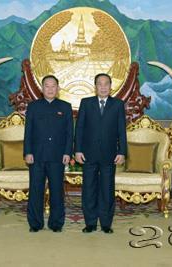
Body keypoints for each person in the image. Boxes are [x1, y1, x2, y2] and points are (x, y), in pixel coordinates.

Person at [74, 73, 127, 234]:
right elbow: (80, 129)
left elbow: (121, 131)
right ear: (95, 87)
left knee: (107, 190)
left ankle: (106, 223)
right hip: (88, 154)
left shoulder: (117, 104)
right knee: (89, 189)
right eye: (99, 84)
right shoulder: (86, 103)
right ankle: (90, 223)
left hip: (109, 155)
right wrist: (77, 150)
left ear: (111, 86)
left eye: (106, 84)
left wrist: (122, 152)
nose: (103, 87)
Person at [23, 75, 73, 233]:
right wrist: (27, 152)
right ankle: (35, 224)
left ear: (58, 89)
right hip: (36, 156)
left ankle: (56, 224)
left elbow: (69, 133)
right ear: (42, 88)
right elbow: (28, 132)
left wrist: (67, 152)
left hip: (57, 156)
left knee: (57, 191)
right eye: (47, 86)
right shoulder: (33, 107)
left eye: (53, 86)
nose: (50, 89)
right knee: (36, 190)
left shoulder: (65, 107)